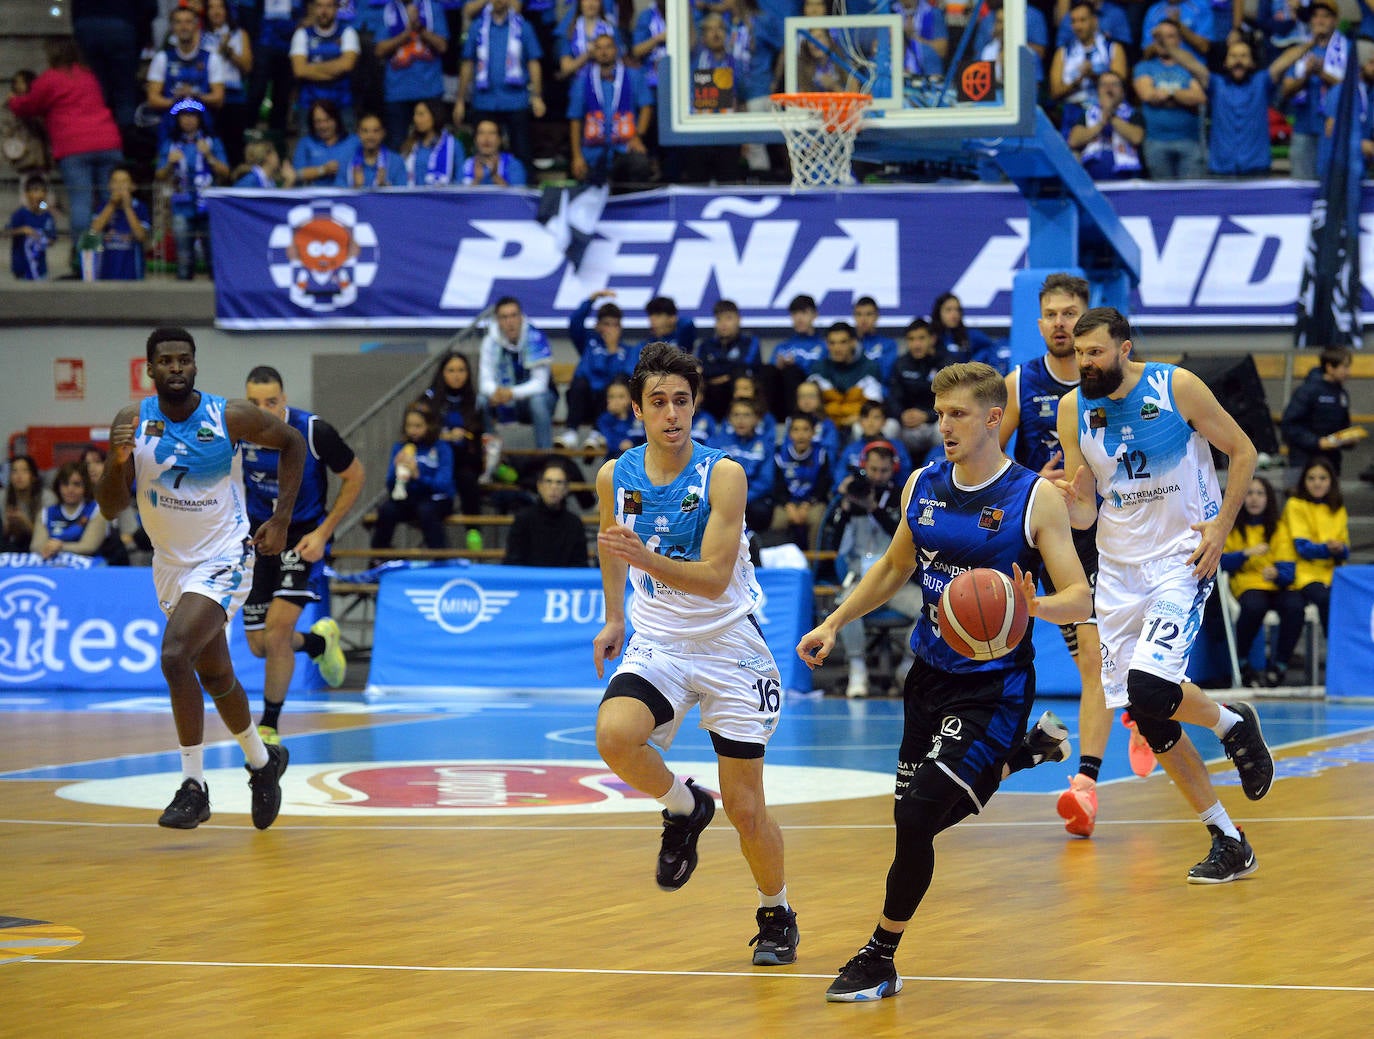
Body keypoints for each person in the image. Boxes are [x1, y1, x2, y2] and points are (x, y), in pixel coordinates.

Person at [797, 361, 1092, 1002]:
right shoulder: (922, 485)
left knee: (916, 816)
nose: (944, 426)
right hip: (928, 674)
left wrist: (1031, 606)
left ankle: (880, 955)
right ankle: (1018, 759)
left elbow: (1079, 595)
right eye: (939, 414)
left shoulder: (1033, 498)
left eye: (957, 414)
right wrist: (833, 622)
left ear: (993, 418)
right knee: (915, 819)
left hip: (995, 686)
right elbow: (892, 567)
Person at [593, 341, 799, 968]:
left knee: (746, 808)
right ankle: (685, 808)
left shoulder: (723, 474)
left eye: (681, 401)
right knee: (615, 736)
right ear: (638, 410)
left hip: (729, 644)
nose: (672, 413)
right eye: (659, 402)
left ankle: (775, 911)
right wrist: (613, 615)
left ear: (694, 406)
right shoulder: (615, 475)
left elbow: (712, 577)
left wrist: (645, 560)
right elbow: (611, 543)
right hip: (659, 640)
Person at [1055, 306, 1275, 882]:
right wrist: (1070, 498)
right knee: (1148, 713)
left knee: (1151, 687)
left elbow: (1243, 450)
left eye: (1095, 353)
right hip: (1117, 571)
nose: (1085, 364)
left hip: (1180, 559)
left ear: (1125, 349)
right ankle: (1228, 833)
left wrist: (1223, 526)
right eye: (1080, 354)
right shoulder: (1073, 407)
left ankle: (1230, 723)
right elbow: (1085, 510)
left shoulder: (1174, 386)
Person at [94, 327, 301, 831]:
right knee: (214, 675)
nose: (176, 368)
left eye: (184, 360)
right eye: (165, 361)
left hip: (225, 556)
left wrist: (280, 518)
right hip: (171, 564)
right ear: (150, 369)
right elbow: (109, 505)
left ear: (195, 365)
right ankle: (262, 762)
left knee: (173, 655)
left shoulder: (227, 416)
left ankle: (194, 785)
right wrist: (118, 462)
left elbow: (292, 443)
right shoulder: (132, 423)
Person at [1000, 273, 1154, 838]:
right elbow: (990, 460)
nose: (1061, 323)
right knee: (1092, 658)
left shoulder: (1121, 381)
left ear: (1089, 320)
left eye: (1071, 313)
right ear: (1039, 322)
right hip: (1056, 540)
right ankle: (1085, 787)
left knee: (1121, 658)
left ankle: (1142, 711)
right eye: (1052, 314)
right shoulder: (1021, 383)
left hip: (1120, 530)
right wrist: (1030, 484)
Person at [241, 366, 363, 742]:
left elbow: (355, 476)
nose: (263, 411)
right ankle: (318, 643)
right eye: (254, 403)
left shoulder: (313, 432)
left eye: (271, 402)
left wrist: (323, 533)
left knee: (277, 635)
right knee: (259, 646)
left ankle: (269, 727)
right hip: (260, 537)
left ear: (284, 400)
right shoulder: (237, 433)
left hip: (302, 536)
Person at [5, 37, 124, 277]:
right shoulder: (89, 75)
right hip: (108, 141)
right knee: (107, 201)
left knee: (80, 203)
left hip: (75, 147)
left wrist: (13, 102)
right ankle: (113, 259)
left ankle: (83, 262)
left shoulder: (50, 78)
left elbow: (30, 105)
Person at [814, 440, 921, 700]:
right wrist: (844, 505)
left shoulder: (902, 496)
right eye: (873, 470)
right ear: (863, 467)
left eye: (884, 471)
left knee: (931, 610)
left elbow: (905, 534)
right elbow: (833, 544)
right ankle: (857, 666)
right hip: (860, 580)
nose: (877, 476)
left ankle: (909, 664)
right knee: (843, 607)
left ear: (893, 469)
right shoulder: (849, 497)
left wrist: (875, 508)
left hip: (897, 580)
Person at [1168, 30, 1315, 176]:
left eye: (1244, 56)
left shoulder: (1262, 82)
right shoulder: (1215, 84)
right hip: (1221, 170)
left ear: (1252, 62)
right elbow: (1191, 63)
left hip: (1257, 169)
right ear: (1225, 62)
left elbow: (1286, 60)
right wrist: (1167, 46)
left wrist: (1312, 42)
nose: (1238, 61)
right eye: (1233, 56)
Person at [1220, 476, 1302, 688]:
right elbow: (1221, 561)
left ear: (1269, 498)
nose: (1254, 499)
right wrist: (1245, 554)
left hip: (1277, 586)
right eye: (1249, 493)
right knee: (1254, 605)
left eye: (1260, 493)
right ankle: (1243, 662)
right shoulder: (1230, 525)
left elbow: (1288, 569)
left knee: (1295, 605)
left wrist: (1277, 573)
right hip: (1248, 585)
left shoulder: (1279, 527)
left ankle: (1280, 666)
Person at [454, 0, 546, 173]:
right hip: (484, 101)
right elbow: (467, 63)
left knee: (522, 152)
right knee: (481, 151)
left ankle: (523, 193)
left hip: (516, 101)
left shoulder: (523, 27)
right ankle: (480, 190)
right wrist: (460, 99)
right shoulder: (477, 27)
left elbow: (534, 62)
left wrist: (537, 96)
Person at [1277, 456, 1348, 651]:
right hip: (1304, 574)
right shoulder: (1295, 504)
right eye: (1311, 478)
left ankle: (1342, 656)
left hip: (1332, 575)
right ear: (1304, 481)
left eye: (1323, 478)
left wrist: (1340, 549)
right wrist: (1329, 549)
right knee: (1327, 599)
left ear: (1331, 481)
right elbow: (1303, 549)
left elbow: (1345, 550)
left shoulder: (1338, 508)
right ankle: (1336, 652)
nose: (1317, 483)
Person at [567, 31, 654, 187]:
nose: (604, 52)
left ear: (616, 50)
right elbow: (575, 119)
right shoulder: (582, 81)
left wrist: (637, 136)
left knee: (639, 163)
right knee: (580, 173)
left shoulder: (633, 76)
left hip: (625, 147)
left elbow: (646, 107)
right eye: (599, 48)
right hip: (593, 151)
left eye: (608, 47)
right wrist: (577, 156)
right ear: (593, 52)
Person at [371, 399, 456, 551]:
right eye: (409, 426)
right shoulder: (400, 447)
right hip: (410, 498)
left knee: (426, 510)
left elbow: (443, 484)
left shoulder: (442, 448)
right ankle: (378, 558)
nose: (413, 431)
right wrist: (398, 473)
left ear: (430, 425)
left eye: (418, 426)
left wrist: (418, 475)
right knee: (386, 510)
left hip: (437, 499)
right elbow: (390, 486)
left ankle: (440, 557)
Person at [561, 290, 640, 450]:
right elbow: (574, 323)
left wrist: (612, 350)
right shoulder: (588, 342)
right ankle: (571, 432)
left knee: (612, 386)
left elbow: (622, 380)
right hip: (582, 402)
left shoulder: (627, 351)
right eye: (606, 324)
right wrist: (592, 299)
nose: (610, 329)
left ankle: (597, 433)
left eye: (614, 325)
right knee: (579, 382)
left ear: (620, 328)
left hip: (606, 406)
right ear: (597, 326)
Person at [478, 295, 558, 452]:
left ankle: (545, 455)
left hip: (535, 401)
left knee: (538, 401)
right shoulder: (490, 341)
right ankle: (491, 454)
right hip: (504, 399)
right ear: (497, 321)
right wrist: (496, 392)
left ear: (521, 317)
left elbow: (540, 385)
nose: (510, 321)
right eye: (504, 317)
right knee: (482, 399)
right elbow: (484, 381)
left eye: (514, 315)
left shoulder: (535, 337)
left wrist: (510, 393)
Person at [1132, 18, 1207, 180]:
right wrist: (1182, 95)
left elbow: (1199, 97)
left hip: (1190, 142)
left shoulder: (1190, 67)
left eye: (1169, 36)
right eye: (1160, 37)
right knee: (1163, 199)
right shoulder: (1144, 67)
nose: (1163, 41)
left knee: (1192, 199)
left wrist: (1169, 94)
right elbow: (1147, 94)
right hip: (1156, 142)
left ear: (1179, 40)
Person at [1279, 346, 1364, 479]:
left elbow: (1342, 427)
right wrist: (1317, 442)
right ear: (1330, 367)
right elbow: (1289, 426)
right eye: (1345, 367)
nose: (1349, 372)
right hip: (1303, 461)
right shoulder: (1306, 391)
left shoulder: (1342, 394)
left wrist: (1348, 439)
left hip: (1330, 463)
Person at [375, 0, 449, 149]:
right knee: (398, 144)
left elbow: (442, 46)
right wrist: (406, 34)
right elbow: (379, 50)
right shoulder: (388, 10)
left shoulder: (433, 8)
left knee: (434, 143)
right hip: (397, 92)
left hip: (429, 89)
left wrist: (420, 28)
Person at [422, 350, 486, 518]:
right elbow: (419, 432)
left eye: (461, 370)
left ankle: (473, 531)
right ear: (442, 373)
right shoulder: (429, 399)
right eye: (451, 370)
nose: (456, 376)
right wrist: (446, 436)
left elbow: (481, 434)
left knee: (468, 478)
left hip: (465, 460)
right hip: (435, 459)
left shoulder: (476, 400)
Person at [144, 4, 227, 125]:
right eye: (178, 22)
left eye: (188, 22)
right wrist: (178, 100)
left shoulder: (212, 58)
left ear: (196, 25)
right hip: (170, 128)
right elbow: (153, 99)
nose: (184, 27)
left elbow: (219, 99)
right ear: (172, 27)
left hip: (204, 128)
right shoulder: (162, 58)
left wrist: (194, 95)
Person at [709, 396, 776, 535]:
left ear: (756, 419)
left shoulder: (765, 444)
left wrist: (742, 497)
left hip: (751, 499)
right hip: (722, 495)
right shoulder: (717, 442)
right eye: (736, 415)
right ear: (729, 419)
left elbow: (766, 481)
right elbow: (709, 473)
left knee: (761, 510)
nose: (741, 420)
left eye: (746, 415)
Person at [291, 0, 362, 131]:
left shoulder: (348, 33)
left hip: (342, 103)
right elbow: (299, 70)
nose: (324, 11)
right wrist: (335, 68)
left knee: (349, 148)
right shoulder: (302, 34)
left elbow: (347, 65)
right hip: (309, 104)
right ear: (312, 8)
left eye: (329, 6)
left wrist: (311, 67)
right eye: (319, 5)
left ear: (336, 8)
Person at [504, 461, 590, 566]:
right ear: (539, 486)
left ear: (566, 489)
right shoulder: (523, 520)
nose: (554, 487)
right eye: (549, 481)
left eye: (559, 482)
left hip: (565, 581)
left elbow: (580, 564)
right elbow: (513, 561)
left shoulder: (575, 524)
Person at [1066, 69, 1145, 180]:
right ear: (1098, 91)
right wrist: (1101, 123)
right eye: (1104, 85)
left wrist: (1110, 114)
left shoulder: (1133, 113)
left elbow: (1136, 138)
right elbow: (1074, 141)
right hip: (1092, 178)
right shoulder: (1088, 114)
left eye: (1114, 84)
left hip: (1126, 178)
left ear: (1122, 92)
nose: (1109, 88)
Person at [203, 0, 254, 166]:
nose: (216, 12)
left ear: (227, 11)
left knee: (234, 145)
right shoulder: (201, 36)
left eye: (220, 7)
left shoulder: (239, 34)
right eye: (211, 7)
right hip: (209, 97)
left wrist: (230, 53)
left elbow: (247, 66)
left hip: (234, 97)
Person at [760, 294, 825, 423]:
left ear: (815, 315)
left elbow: (822, 373)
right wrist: (779, 367)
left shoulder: (824, 345)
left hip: (809, 393)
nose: (799, 318)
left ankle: (796, 418)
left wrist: (797, 366)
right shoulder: (782, 347)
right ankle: (767, 420)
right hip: (782, 396)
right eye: (795, 314)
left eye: (804, 313)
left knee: (792, 371)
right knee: (768, 370)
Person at [808, 322, 884, 430]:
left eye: (843, 342)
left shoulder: (869, 367)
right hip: (828, 422)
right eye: (832, 343)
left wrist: (858, 417)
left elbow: (874, 406)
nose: (837, 348)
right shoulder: (818, 369)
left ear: (853, 342)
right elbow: (810, 405)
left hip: (859, 421)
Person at [887, 318, 943, 465]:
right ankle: (898, 481)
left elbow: (954, 401)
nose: (916, 344)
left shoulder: (946, 363)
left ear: (932, 339)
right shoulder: (900, 364)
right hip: (907, 426)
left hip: (934, 423)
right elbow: (892, 398)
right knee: (889, 428)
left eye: (921, 338)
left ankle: (943, 478)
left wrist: (927, 415)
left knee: (945, 429)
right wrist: (901, 415)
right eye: (911, 339)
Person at [774, 410, 831, 551]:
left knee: (816, 520)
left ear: (813, 433)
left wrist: (807, 504)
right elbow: (777, 485)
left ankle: (813, 567)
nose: (801, 435)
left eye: (806, 430)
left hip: (813, 502)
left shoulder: (821, 455)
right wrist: (788, 505)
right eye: (796, 430)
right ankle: (781, 566)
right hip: (787, 503)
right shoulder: (779, 455)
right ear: (789, 434)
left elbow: (823, 486)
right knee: (778, 522)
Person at [31, 461, 109, 560]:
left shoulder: (96, 511)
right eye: (65, 484)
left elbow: (89, 546)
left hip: (90, 570)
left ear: (86, 486)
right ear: (58, 486)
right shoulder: (46, 513)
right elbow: (36, 546)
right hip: (51, 567)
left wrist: (60, 546)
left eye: (76, 484)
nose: (70, 489)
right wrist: (51, 548)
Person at [90, 166, 150, 280]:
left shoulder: (140, 207)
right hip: (106, 272)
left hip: (132, 273)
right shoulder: (103, 206)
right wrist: (112, 205)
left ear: (133, 186)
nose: (119, 186)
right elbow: (94, 231)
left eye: (124, 181)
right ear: (109, 185)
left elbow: (141, 235)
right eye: (115, 181)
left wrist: (127, 207)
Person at [293, 98, 360, 187]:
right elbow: (296, 174)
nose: (323, 126)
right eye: (318, 121)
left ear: (336, 119)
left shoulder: (354, 141)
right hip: (314, 197)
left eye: (328, 120)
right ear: (312, 123)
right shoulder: (305, 143)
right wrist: (323, 170)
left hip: (347, 196)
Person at [6, 175, 57, 281]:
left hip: (40, 269)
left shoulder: (47, 216)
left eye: (43, 191)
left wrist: (43, 240)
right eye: (35, 191)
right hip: (22, 268)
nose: (40, 195)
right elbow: (6, 232)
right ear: (27, 194)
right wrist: (22, 230)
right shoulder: (20, 214)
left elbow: (52, 238)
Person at [402, 98, 462, 185]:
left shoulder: (453, 145)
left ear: (434, 115)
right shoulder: (410, 144)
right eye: (415, 114)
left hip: (443, 197)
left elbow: (460, 179)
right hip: (413, 198)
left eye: (421, 114)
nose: (415, 119)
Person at [930, 291, 997, 368]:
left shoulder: (970, 335)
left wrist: (975, 362)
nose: (954, 314)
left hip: (964, 378)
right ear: (938, 312)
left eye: (957, 310)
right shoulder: (930, 336)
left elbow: (992, 347)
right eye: (948, 310)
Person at [1, 455, 49, 554]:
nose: (19, 476)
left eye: (24, 471)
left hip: (39, 548)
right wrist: (9, 526)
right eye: (14, 471)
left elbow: (49, 536)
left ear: (34, 476)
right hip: (10, 545)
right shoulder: (2, 496)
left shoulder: (47, 498)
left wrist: (25, 523)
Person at [459, 117, 527, 185]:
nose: (486, 138)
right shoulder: (466, 165)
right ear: (475, 139)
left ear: (500, 139)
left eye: (492, 133)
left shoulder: (514, 165)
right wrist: (477, 180)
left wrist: (495, 176)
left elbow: (518, 194)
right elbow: (457, 193)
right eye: (481, 133)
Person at [348, 110, 408, 185]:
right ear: (358, 133)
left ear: (383, 133)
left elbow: (404, 194)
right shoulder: (347, 161)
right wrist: (355, 188)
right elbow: (337, 194)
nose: (370, 136)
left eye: (375, 131)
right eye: (365, 131)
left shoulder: (396, 162)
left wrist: (385, 189)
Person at [594, 376, 645, 459]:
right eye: (611, 397)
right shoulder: (604, 419)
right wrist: (620, 444)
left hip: (639, 459)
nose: (616, 401)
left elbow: (644, 438)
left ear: (630, 398)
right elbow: (608, 440)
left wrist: (632, 443)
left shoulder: (638, 416)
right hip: (615, 460)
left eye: (621, 397)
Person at [853, 296, 901, 383]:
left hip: (881, 393)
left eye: (868, 314)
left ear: (877, 316)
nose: (863, 319)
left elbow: (885, 375)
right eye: (859, 314)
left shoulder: (889, 345)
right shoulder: (848, 344)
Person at [233, 140, 298, 188]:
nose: (278, 158)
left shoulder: (270, 180)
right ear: (268, 157)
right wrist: (289, 182)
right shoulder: (249, 181)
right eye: (275, 153)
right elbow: (272, 205)